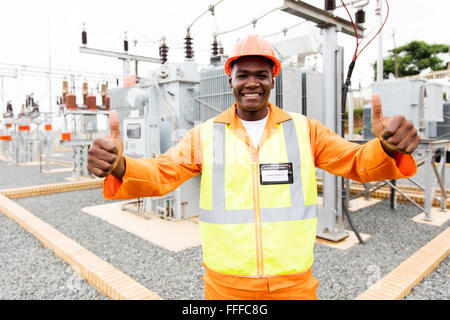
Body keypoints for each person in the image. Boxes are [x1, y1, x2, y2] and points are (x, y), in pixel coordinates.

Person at [87, 34, 420, 300]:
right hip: (226, 287)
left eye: (261, 75)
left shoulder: (305, 130)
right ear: (229, 78)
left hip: (294, 285)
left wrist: (385, 148)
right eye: (242, 74)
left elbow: (357, 162)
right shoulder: (206, 135)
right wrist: (120, 166)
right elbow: (161, 174)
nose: (252, 83)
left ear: (273, 80)